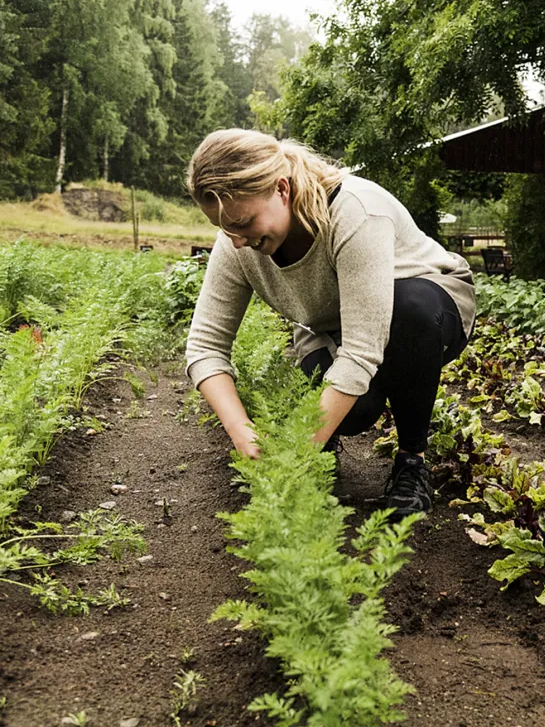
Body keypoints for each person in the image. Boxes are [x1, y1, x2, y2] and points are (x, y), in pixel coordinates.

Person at [183, 129, 476, 519]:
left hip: (428, 307)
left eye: (244, 222)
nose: (236, 240)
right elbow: (204, 347)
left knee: (409, 312)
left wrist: (297, 455)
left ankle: (412, 462)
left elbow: (361, 351)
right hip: (331, 328)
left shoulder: (354, 210)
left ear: (282, 190)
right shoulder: (237, 243)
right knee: (353, 410)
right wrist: (240, 429)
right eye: (225, 228)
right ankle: (326, 451)